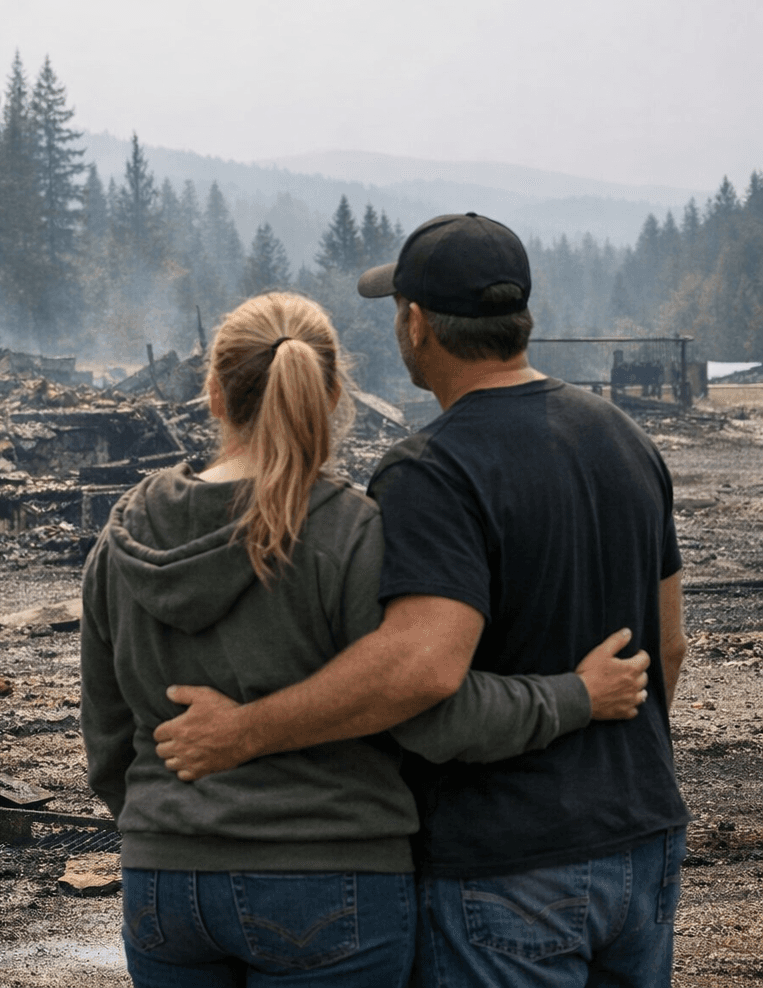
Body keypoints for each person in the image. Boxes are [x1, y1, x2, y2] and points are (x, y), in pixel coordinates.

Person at [152, 215, 688, 987]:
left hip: (508, 861)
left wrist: (242, 732)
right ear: (519, 317)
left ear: (415, 324)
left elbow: (419, 671)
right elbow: (667, 646)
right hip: (644, 843)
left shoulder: (433, 469)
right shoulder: (626, 438)